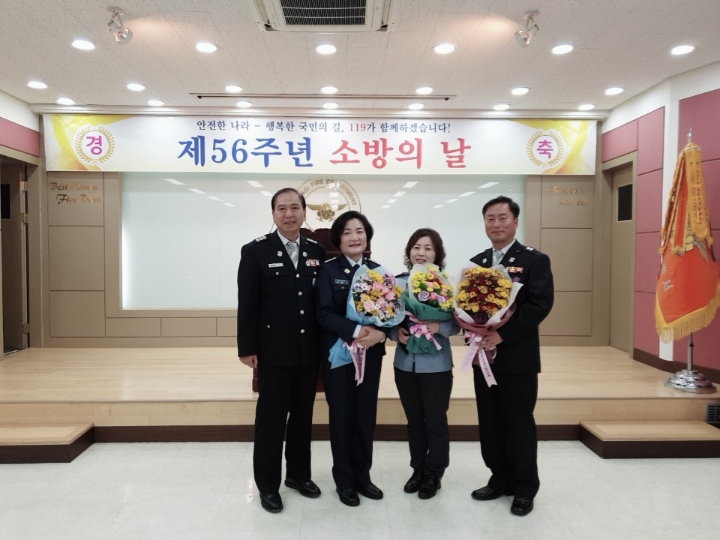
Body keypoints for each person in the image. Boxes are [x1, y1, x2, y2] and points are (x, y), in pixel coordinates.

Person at [236, 187, 326, 514]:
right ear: (273, 213)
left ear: (304, 212)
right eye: (282, 208)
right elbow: (247, 303)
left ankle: (299, 476)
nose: (289, 214)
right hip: (273, 352)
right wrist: (247, 347)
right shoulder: (255, 251)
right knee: (271, 421)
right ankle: (267, 485)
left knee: (303, 418)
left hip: (308, 352)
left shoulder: (317, 251)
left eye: (295, 208)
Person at [469, 195, 554, 517]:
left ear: (515, 221)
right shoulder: (477, 262)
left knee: (519, 422)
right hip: (484, 358)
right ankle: (499, 478)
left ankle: (524, 487)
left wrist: (503, 334)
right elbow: (468, 306)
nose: (496, 224)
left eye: (502, 217)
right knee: (490, 422)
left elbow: (540, 304)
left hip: (518, 357)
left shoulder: (534, 260)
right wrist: (472, 330)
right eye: (490, 218)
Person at [316, 210, 388, 507]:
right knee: (342, 416)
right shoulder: (328, 271)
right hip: (340, 355)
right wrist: (357, 331)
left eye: (360, 231)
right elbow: (324, 314)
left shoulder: (378, 272)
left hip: (371, 355)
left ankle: (363, 476)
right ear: (338, 239)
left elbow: (391, 313)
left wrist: (381, 334)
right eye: (347, 232)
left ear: (367, 236)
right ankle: (344, 481)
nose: (354, 237)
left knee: (365, 416)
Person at [390, 228, 459, 500]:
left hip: (437, 365)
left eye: (428, 248)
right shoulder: (397, 283)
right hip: (405, 364)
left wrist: (437, 326)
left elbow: (458, 324)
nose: (421, 253)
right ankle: (417, 469)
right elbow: (385, 318)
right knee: (414, 421)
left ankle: (434, 473)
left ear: (437, 254)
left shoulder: (446, 284)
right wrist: (395, 333)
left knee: (435, 421)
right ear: (409, 252)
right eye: (416, 247)